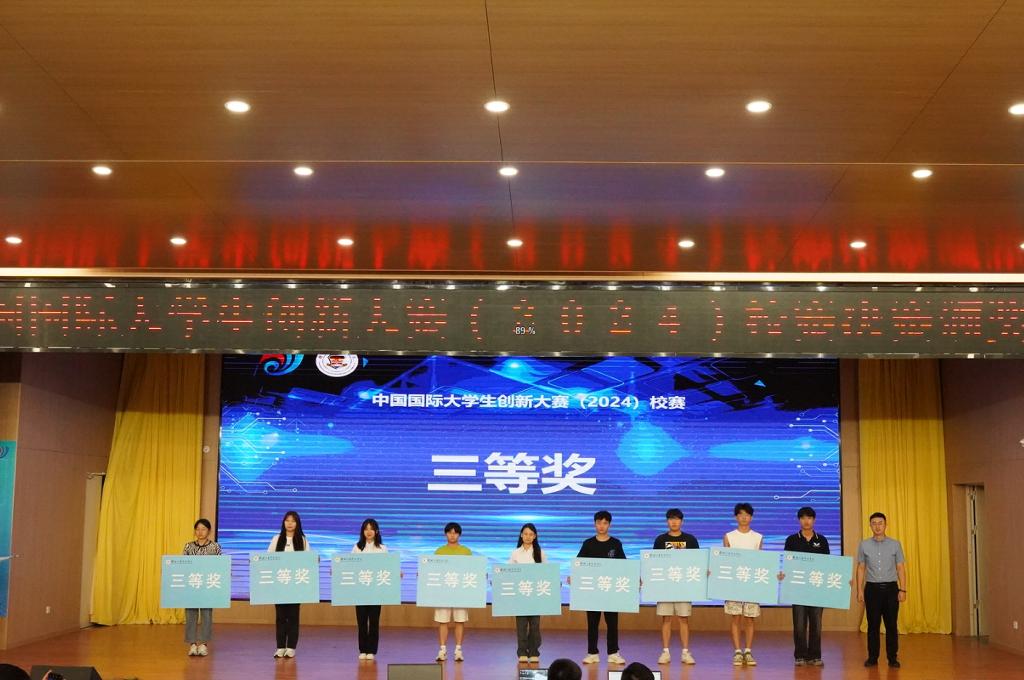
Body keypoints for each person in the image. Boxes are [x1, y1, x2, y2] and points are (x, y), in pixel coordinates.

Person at [779, 506, 830, 667]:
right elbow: (787, 563)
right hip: (798, 589)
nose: (806, 521)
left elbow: (829, 565)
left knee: (816, 624)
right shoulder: (792, 540)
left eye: (809, 518)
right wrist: (783, 575)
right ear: (799, 520)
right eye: (803, 518)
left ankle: (815, 655)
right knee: (799, 625)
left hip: (816, 589)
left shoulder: (822, 540)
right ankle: (800, 655)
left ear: (814, 520)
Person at [857, 512, 907, 669]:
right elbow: (861, 568)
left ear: (886, 525)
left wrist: (903, 589)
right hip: (872, 589)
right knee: (873, 625)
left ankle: (892, 658)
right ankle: (872, 658)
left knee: (891, 625)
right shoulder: (864, 545)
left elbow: (900, 567)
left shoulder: (895, 544)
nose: (877, 526)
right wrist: (859, 590)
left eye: (880, 523)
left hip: (891, 589)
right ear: (870, 526)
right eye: (874, 523)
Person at [577, 509, 627, 666]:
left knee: (612, 623)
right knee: (592, 623)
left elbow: (624, 566)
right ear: (594, 524)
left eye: (605, 523)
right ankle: (592, 653)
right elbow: (579, 564)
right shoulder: (588, 543)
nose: (601, 526)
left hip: (611, 591)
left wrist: (633, 578)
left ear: (609, 525)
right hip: (593, 592)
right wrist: (575, 576)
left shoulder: (615, 543)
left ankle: (613, 653)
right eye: (599, 523)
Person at [653, 508, 699, 665]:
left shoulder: (690, 540)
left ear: (682, 521)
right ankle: (665, 652)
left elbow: (697, 562)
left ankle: (685, 652)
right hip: (665, 587)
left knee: (683, 619)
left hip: (684, 587)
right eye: (671, 519)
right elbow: (653, 563)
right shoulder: (660, 540)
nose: (674, 522)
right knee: (666, 618)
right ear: (667, 521)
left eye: (677, 519)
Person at [268, 510, 311, 659]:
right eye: (287, 520)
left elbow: (308, 560)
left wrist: (314, 560)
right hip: (279, 584)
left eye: (293, 521)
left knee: (293, 616)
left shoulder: (302, 540)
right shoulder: (276, 539)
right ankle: (280, 646)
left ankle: (291, 647)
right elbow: (268, 558)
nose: (290, 523)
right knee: (280, 616)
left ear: (297, 523)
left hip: (295, 586)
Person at [724, 502, 763, 667]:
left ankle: (748, 650)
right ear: (736, 517)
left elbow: (761, 562)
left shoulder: (758, 537)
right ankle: (737, 651)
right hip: (734, 584)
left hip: (751, 584)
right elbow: (725, 561)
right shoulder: (729, 536)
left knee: (750, 618)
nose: (744, 518)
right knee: (736, 617)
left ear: (751, 517)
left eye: (747, 515)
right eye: (741, 514)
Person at [183, 518, 222, 657]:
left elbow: (220, 566)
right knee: (190, 615)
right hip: (192, 585)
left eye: (203, 529)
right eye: (197, 529)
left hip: (208, 587)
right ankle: (192, 644)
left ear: (209, 531)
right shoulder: (188, 546)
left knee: (206, 615)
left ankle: (203, 644)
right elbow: (183, 566)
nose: (200, 532)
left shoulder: (215, 547)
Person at [434, 521, 472, 663]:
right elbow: (433, 571)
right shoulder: (439, 551)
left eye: (455, 533)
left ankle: (458, 650)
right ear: (445, 534)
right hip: (443, 592)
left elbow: (471, 571)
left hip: (460, 592)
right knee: (443, 621)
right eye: (450, 532)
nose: (452, 535)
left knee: (460, 620)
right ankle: (442, 650)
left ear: (459, 535)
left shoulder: (466, 552)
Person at [510, 522, 547, 663]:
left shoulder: (540, 553)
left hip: (535, 595)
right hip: (520, 595)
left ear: (535, 536)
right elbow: (508, 573)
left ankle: (534, 651)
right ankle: (522, 652)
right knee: (521, 625)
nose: (528, 536)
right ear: (521, 535)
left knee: (535, 625)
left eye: (531, 534)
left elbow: (546, 573)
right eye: (525, 534)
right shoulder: (515, 553)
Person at [352, 518, 386, 661]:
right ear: (362, 532)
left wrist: (397, 572)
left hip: (375, 592)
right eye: (366, 529)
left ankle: (371, 650)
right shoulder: (357, 547)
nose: (369, 531)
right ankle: (363, 649)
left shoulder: (382, 549)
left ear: (376, 531)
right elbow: (350, 567)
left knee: (373, 621)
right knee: (361, 621)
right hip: (360, 591)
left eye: (371, 528)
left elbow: (387, 568)